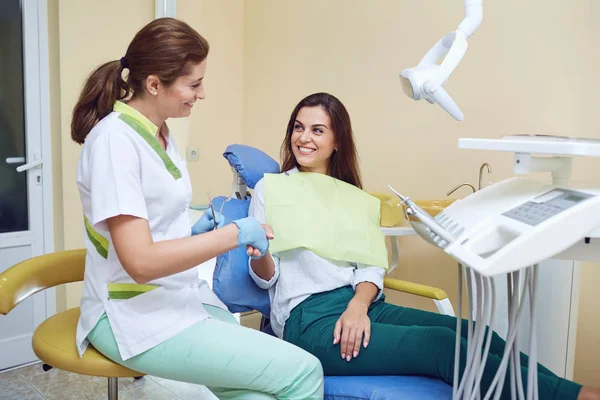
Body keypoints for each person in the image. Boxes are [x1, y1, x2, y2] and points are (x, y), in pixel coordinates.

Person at [248, 91, 600, 400]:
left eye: (317, 129)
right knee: (439, 346)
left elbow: (371, 266)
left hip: (363, 304)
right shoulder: (272, 190)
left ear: (337, 140)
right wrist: (260, 250)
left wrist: (358, 305)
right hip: (311, 319)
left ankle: (561, 390)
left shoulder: (353, 198)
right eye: (298, 127)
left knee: (476, 332)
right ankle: (577, 396)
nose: (303, 137)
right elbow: (268, 279)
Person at [71, 18, 323, 400]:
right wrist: (232, 234)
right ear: (154, 84)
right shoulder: (114, 143)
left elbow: (147, 231)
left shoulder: (160, 132)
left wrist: (191, 234)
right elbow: (139, 262)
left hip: (176, 297)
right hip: (131, 314)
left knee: (256, 393)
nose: (201, 93)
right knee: (304, 372)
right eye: (193, 84)